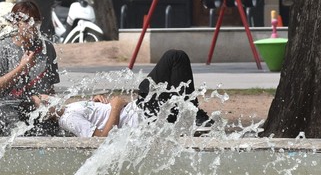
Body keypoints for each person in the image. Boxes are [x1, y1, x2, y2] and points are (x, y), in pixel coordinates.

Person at [33, 49, 212, 138]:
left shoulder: (69, 108)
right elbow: (102, 139)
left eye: (43, 97)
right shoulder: (67, 120)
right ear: (43, 115)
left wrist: (94, 102)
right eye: (43, 104)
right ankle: (194, 115)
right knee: (175, 58)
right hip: (145, 118)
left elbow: (95, 117)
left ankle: (193, 115)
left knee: (156, 80)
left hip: (143, 110)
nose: (47, 99)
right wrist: (116, 107)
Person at [0, 0, 60, 136]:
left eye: (36, 21)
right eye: (27, 21)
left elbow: (50, 89)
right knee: (19, 132)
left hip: (34, 108)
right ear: (15, 23)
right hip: (5, 108)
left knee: (52, 132)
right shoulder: (4, 47)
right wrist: (22, 67)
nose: (32, 26)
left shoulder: (47, 48)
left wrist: (52, 104)